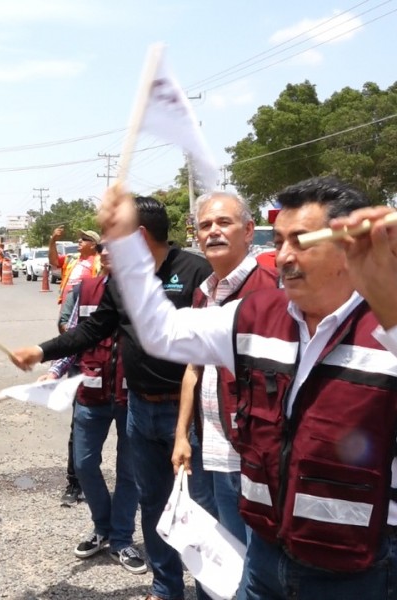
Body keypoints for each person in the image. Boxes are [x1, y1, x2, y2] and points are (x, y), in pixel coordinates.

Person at [99, 176, 397, 600]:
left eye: (302, 241)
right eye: (279, 241)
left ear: (350, 247)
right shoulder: (254, 316)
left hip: (356, 565)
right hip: (266, 551)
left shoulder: (384, 324)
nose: (285, 256)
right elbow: (160, 332)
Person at [12, 197, 217, 600]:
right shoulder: (124, 279)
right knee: (154, 505)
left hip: (190, 416)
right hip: (139, 409)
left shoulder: (196, 272)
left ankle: (210, 592)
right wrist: (42, 350)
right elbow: (93, 329)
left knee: (201, 510)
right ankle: (165, 589)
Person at [171, 192, 278, 560]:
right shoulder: (205, 295)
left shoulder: (272, 289)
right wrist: (182, 435)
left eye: (224, 223)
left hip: (256, 455)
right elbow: (193, 369)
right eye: (205, 225)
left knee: (261, 561)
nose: (213, 232)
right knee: (229, 556)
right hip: (214, 449)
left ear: (249, 231)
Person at [41, 245, 146, 573]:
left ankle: (121, 538)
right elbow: (74, 338)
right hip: (91, 393)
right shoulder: (84, 290)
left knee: (130, 472)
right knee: (84, 464)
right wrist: (55, 370)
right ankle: (102, 527)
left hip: (132, 399)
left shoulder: (148, 294)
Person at [49, 227, 102, 506]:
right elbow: (66, 323)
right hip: (82, 365)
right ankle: (74, 482)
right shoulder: (81, 288)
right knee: (80, 426)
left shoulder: (126, 291)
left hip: (115, 373)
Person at [48, 227, 102, 311]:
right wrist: (53, 241)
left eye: (84, 239)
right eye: (80, 238)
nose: (79, 241)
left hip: (86, 309)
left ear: (93, 245)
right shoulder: (72, 258)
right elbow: (54, 261)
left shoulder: (100, 261)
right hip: (67, 308)